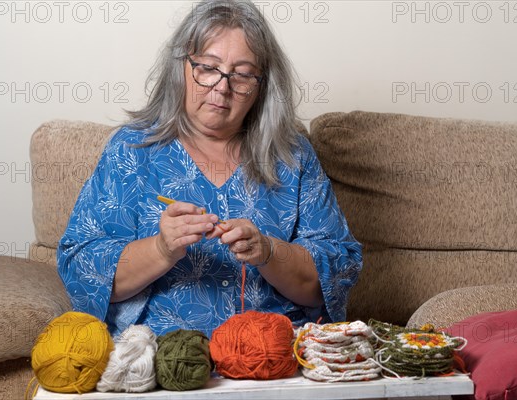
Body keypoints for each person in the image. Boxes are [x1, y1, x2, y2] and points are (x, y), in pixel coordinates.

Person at [57, 0, 362, 338]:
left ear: (262, 86)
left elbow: (336, 274)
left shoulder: (292, 156)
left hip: (272, 353)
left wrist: (269, 252)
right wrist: (162, 248)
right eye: (208, 67)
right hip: (160, 355)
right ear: (183, 67)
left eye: (243, 74)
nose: (222, 86)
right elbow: (81, 270)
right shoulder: (132, 150)